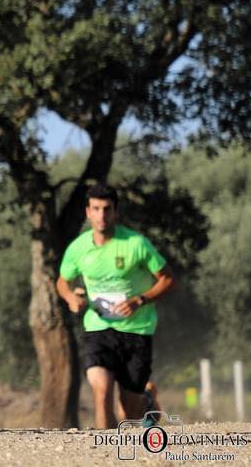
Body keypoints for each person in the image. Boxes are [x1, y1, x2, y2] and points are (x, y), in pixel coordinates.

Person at [56, 184, 175, 429]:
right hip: (98, 328)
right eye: (96, 209)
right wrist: (70, 298)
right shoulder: (78, 248)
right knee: (102, 391)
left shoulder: (136, 244)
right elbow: (62, 282)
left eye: (107, 209)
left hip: (137, 330)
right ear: (88, 212)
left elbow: (168, 279)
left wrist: (140, 300)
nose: (102, 215)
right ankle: (107, 451)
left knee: (129, 412)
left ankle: (147, 400)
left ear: (115, 212)